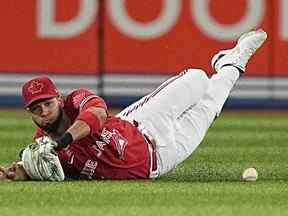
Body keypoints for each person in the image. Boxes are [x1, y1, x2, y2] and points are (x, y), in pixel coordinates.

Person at [0, 29, 267, 181]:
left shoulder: (75, 101)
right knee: (209, 106)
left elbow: (97, 115)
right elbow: (42, 168)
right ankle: (231, 64)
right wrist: (21, 171)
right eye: (36, 108)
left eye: (47, 103)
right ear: (29, 112)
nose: (43, 111)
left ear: (58, 98)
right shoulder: (44, 145)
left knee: (197, 78)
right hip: (160, 159)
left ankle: (223, 62)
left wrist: (64, 141)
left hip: (141, 122)